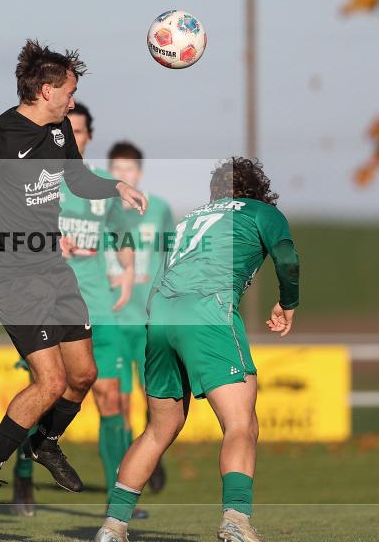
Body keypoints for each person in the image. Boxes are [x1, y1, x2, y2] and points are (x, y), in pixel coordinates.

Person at [0, 40, 147, 526]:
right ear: (45, 91)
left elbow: (78, 181)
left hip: (51, 267)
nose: (73, 102)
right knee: (51, 380)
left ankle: (44, 443)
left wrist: (116, 186)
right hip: (11, 274)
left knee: (83, 375)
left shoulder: (60, 128)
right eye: (69, 92)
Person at [94, 157, 300, 542]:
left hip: (160, 315)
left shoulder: (192, 218)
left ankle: (112, 526)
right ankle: (236, 521)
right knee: (241, 423)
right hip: (207, 312)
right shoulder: (262, 211)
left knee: (159, 429)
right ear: (259, 188)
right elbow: (287, 258)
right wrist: (288, 303)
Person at [10, 102, 140, 518]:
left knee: (112, 400)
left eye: (81, 132)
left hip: (99, 308)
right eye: (69, 131)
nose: (74, 137)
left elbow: (122, 235)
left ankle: (118, 501)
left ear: (88, 137)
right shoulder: (45, 184)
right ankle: (24, 479)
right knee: (45, 391)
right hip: (48, 304)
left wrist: (127, 268)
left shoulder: (99, 188)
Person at [105, 141, 174, 494]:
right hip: (114, 320)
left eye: (128, 169)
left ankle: (153, 452)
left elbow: (171, 255)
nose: (123, 175)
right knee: (118, 402)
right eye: (116, 170)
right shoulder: (100, 211)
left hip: (149, 320)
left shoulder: (158, 209)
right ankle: (122, 479)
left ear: (140, 174)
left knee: (155, 398)